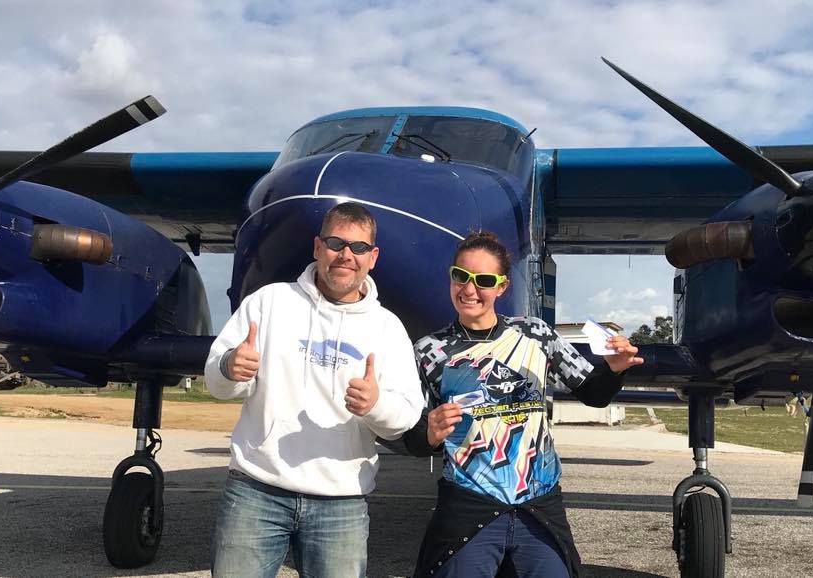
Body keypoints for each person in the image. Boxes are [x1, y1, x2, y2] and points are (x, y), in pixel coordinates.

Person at [403, 231, 644, 578]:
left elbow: (594, 394)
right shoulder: (429, 351)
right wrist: (429, 432)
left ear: (501, 287)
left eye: (484, 280)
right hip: (469, 506)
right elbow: (409, 436)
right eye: (461, 276)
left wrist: (613, 370)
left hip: (538, 506)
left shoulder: (536, 334)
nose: (470, 290)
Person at [204, 202, 424, 578]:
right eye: (336, 243)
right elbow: (216, 382)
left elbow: (404, 417)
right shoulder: (268, 303)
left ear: (373, 257)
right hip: (256, 492)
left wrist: (375, 405)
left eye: (358, 248)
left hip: (341, 503)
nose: (346, 255)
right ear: (317, 247)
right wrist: (229, 367)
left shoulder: (388, 328)